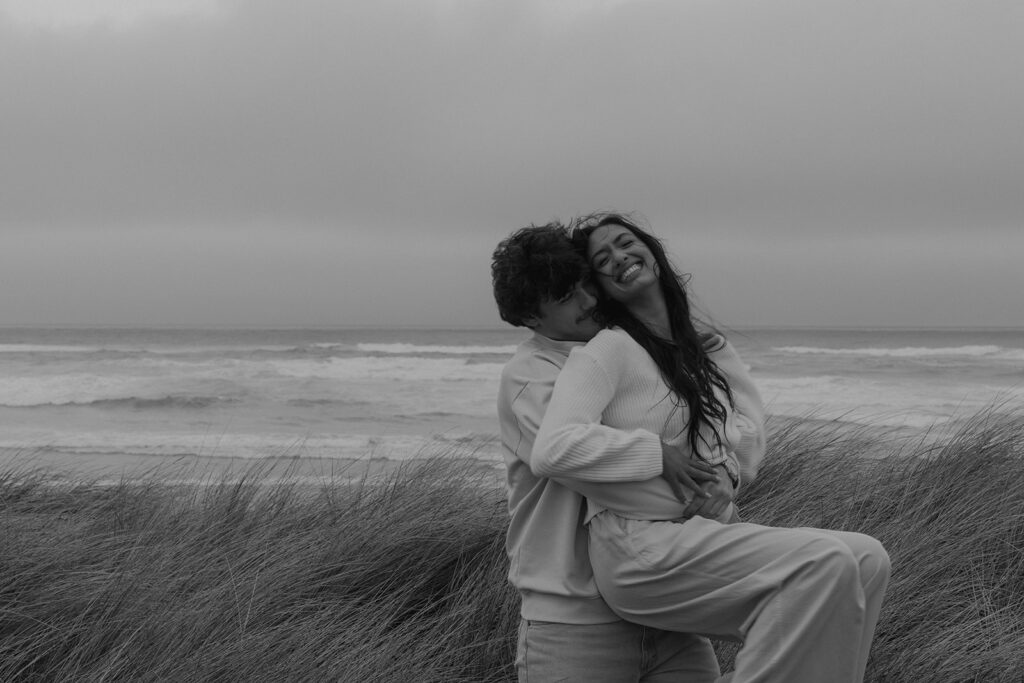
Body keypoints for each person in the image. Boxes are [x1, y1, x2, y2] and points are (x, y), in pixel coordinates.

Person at [532, 212, 891, 683]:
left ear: (651, 250)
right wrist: (656, 453)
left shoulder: (698, 349)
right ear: (601, 286)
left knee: (867, 558)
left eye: (626, 243)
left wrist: (730, 473)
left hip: (701, 533)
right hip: (638, 548)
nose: (620, 257)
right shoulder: (608, 350)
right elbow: (553, 448)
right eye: (604, 259)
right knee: (823, 563)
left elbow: (748, 425)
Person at [492, 223, 727, 682]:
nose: (589, 300)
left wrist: (722, 476)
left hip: (667, 606)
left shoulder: (635, 352)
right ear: (531, 318)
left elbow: (710, 436)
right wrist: (657, 452)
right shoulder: (530, 375)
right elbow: (571, 454)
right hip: (572, 624)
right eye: (566, 297)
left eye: (585, 284)